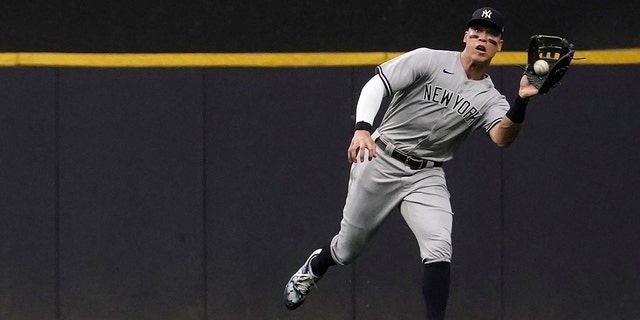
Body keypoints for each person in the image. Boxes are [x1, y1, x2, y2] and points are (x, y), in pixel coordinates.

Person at [284, 7, 538, 320]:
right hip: (381, 158)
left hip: (427, 174)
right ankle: (317, 265)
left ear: (500, 45)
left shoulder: (490, 97)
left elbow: (502, 137)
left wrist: (522, 100)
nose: (482, 39)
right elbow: (378, 84)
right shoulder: (428, 59)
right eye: (476, 32)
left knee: (438, 246)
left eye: (491, 35)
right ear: (465, 37)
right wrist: (363, 127)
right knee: (347, 250)